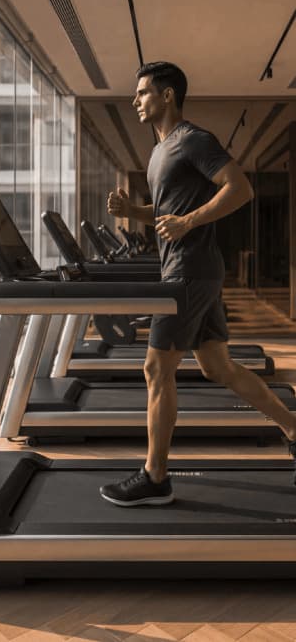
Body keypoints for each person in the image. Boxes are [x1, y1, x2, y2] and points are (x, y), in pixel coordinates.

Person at [100, 60, 296, 506]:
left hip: (188, 271)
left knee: (155, 369)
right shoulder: (158, 152)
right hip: (193, 269)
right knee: (217, 367)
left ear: (168, 95)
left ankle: (155, 477)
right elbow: (169, 212)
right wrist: (135, 214)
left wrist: (189, 222)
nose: (136, 100)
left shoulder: (193, 140)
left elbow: (239, 188)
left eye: (144, 92)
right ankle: (293, 427)